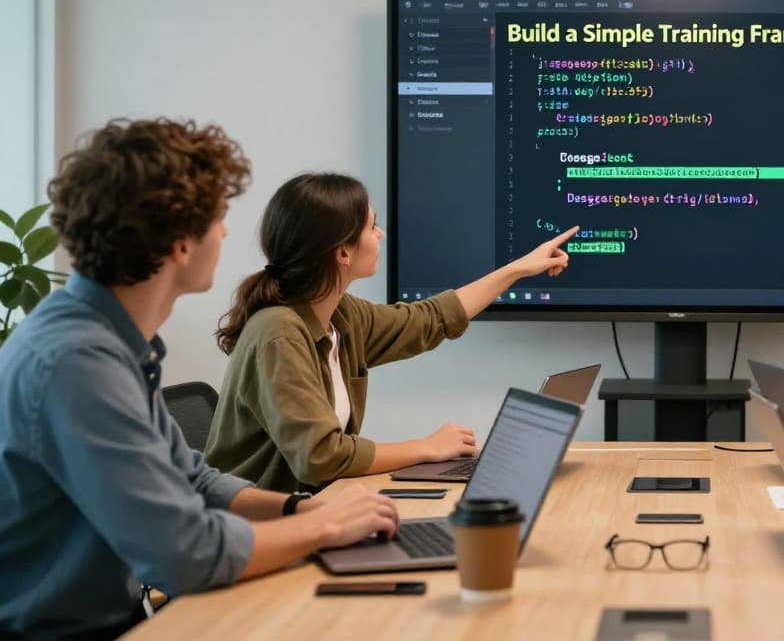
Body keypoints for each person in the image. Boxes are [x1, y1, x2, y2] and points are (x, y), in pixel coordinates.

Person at [0, 119, 399, 640]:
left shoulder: (105, 340)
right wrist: (324, 527)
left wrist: (302, 507)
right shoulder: (77, 364)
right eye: (218, 217)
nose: (227, 231)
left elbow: (192, 477)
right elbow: (185, 554)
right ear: (179, 244)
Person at [205, 172, 577, 492]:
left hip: (319, 508)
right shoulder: (280, 333)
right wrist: (427, 447)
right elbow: (320, 457)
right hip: (257, 533)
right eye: (371, 226)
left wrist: (515, 271)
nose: (380, 234)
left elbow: (428, 319)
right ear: (343, 253)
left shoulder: (340, 316)